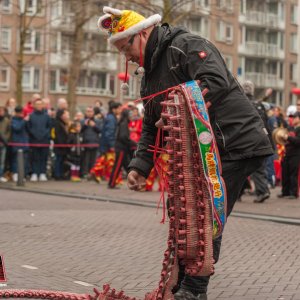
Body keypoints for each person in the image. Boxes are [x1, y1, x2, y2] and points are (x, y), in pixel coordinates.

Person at [98, 7, 273, 300]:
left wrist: (176, 112)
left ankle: (193, 289)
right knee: (184, 211)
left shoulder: (187, 46)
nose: (125, 57)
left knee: (202, 213)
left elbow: (214, 82)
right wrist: (140, 166)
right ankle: (182, 284)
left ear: (141, 35)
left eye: (125, 47)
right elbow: (152, 126)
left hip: (234, 142)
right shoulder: (150, 76)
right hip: (208, 150)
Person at [242, 80, 271, 203]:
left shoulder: (242, 103)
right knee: (259, 166)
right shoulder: (259, 104)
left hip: (248, 140)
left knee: (243, 166)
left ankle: (261, 191)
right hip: (262, 139)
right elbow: (266, 122)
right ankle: (260, 189)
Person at [108, 109, 136, 188]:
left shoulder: (124, 123)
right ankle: (112, 183)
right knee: (117, 166)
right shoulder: (124, 124)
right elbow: (123, 137)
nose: (131, 117)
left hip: (122, 148)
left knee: (126, 165)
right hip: (121, 149)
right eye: (130, 115)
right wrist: (133, 143)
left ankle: (134, 182)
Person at [27, 99, 51, 182]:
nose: (39, 106)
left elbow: (49, 127)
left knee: (43, 157)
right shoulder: (31, 115)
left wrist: (44, 135)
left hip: (44, 140)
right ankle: (34, 173)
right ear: (34, 105)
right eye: (37, 104)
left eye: (40, 104)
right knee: (34, 157)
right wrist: (34, 134)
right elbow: (29, 127)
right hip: (34, 139)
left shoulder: (46, 116)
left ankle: (42, 173)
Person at [277, 112, 300, 199]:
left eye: (294, 117)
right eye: (291, 117)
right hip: (287, 153)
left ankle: (293, 193)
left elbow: (298, 141)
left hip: (296, 154)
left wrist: (288, 137)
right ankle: (285, 192)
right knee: (285, 174)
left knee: (293, 174)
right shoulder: (290, 128)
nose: (292, 119)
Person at [81, 106, 102, 178]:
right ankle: (85, 173)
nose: (89, 113)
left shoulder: (98, 121)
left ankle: (92, 173)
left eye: (91, 111)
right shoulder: (82, 121)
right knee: (85, 160)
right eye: (88, 111)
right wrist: (84, 125)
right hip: (85, 143)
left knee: (93, 160)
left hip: (95, 143)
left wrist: (94, 126)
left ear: (93, 113)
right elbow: (79, 131)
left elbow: (100, 130)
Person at [10, 106, 29, 182]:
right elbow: (17, 128)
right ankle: (15, 173)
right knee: (15, 160)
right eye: (20, 113)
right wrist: (24, 121)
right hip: (16, 142)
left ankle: (22, 174)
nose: (21, 114)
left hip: (24, 142)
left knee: (24, 160)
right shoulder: (13, 120)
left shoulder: (23, 121)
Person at [53, 109, 70, 180]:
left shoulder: (64, 123)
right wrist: (61, 144)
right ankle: (57, 174)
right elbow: (57, 135)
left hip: (64, 145)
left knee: (62, 160)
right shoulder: (57, 123)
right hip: (59, 145)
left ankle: (61, 173)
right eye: (64, 114)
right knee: (58, 160)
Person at [0, 106, 10, 182]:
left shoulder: (7, 121)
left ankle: (0, 175)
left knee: (2, 161)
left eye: (2, 111)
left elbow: (9, 132)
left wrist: (5, 140)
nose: (1, 113)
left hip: (3, 144)